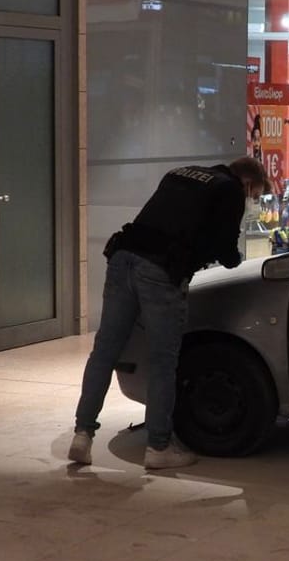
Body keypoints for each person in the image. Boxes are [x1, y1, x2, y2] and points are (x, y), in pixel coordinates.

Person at [68, 157, 269, 470]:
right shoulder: (229, 190)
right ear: (247, 182)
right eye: (253, 195)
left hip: (123, 259)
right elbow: (226, 249)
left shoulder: (182, 173)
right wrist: (235, 258)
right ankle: (159, 446)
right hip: (160, 271)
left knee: (104, 351)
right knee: (163, 360)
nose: (250, 201)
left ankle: (82, 435)